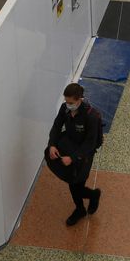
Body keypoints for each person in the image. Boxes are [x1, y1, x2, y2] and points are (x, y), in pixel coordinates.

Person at [45, 83, 103, 225]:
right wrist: (52, 144)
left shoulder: (92, 117)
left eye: (71, 102)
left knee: (76, 183)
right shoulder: (65, 108)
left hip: (84, 153)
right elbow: (57, 126)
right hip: (69, 145)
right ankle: (80, 208)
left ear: (79, 99)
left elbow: (90, 143)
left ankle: (92, 196)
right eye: (66, 101)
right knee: (73, 182)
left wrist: (73, 158)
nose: (68, 105)